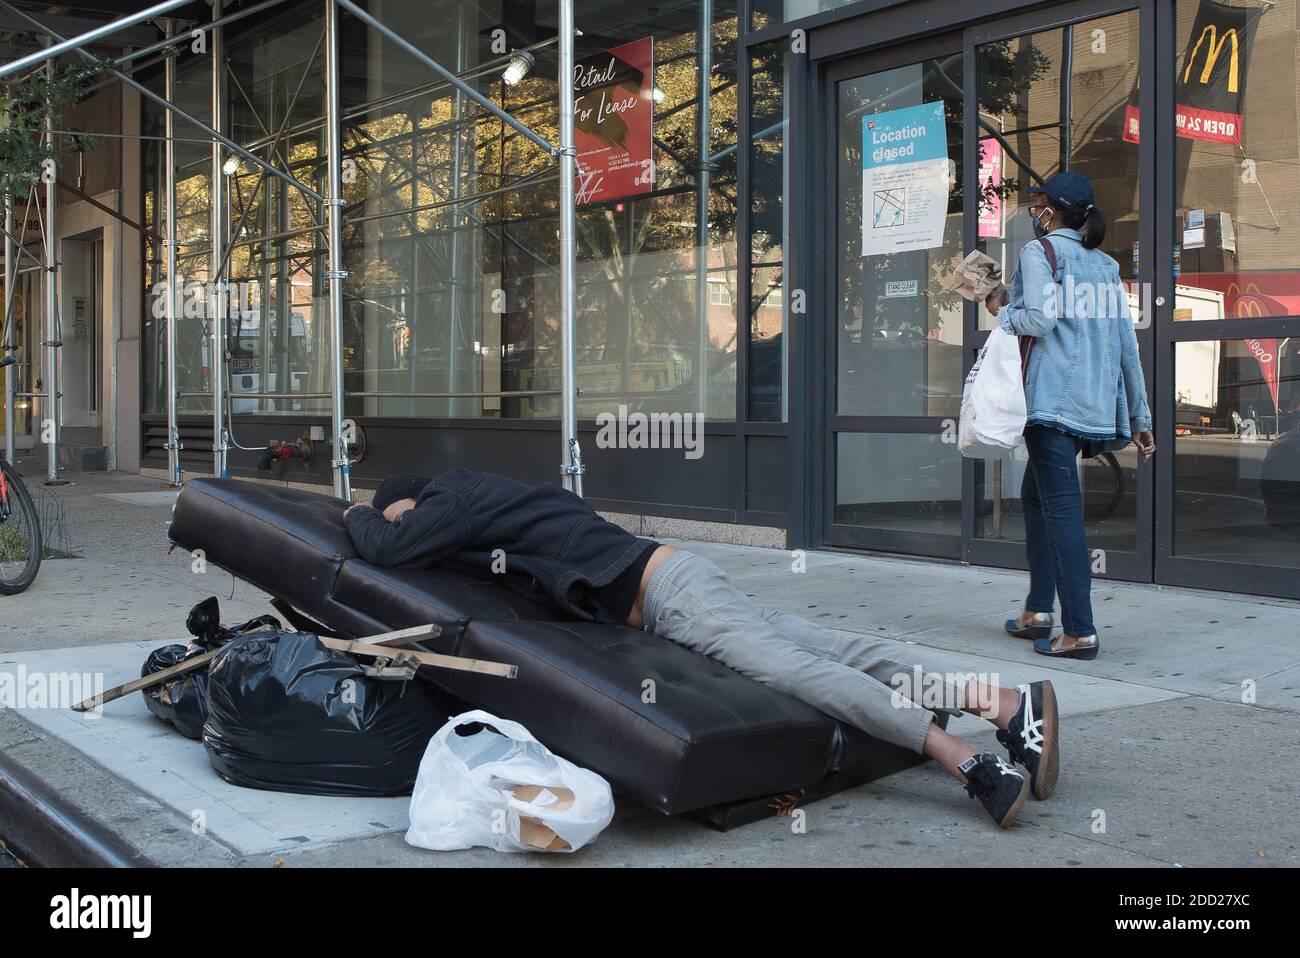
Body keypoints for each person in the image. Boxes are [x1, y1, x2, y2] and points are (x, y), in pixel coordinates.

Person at [345, 468, 1062, 828]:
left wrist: (356, 512)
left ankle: (965, 762)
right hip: (677, 582)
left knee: (801, 670)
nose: (408, 529)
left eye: (401, 513)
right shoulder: (491, 506)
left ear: (414, 501)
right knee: (832, 649)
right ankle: (1000, 702)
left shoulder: (451, 499)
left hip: (670, 598)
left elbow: (389, 544)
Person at [985, 171, 1155, 660]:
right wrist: (1140, 417)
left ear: (1052, 209)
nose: (1034, 209)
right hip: (1092, 405)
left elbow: (1038, 318)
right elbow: (1127, 346)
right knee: (1035, 498)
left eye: (1038, 202)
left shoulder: (1040, 254)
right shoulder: (1105, 266)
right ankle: (1038, 610)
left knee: (1061, 512)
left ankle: (1080, 630)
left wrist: (1003, 309)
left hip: (1051, 403)